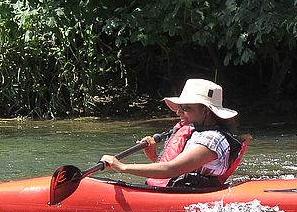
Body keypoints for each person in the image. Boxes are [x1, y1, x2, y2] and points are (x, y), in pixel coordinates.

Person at [101, 79, 245, 187]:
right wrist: (154, 156)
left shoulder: (212, 140)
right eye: (180, 107)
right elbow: (181, 167)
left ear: (205, 110)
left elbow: (172, 169)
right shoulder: (197, 132)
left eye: (186, 108)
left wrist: (122, 167)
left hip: (193, 196)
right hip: (182, 189)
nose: (178, 112)